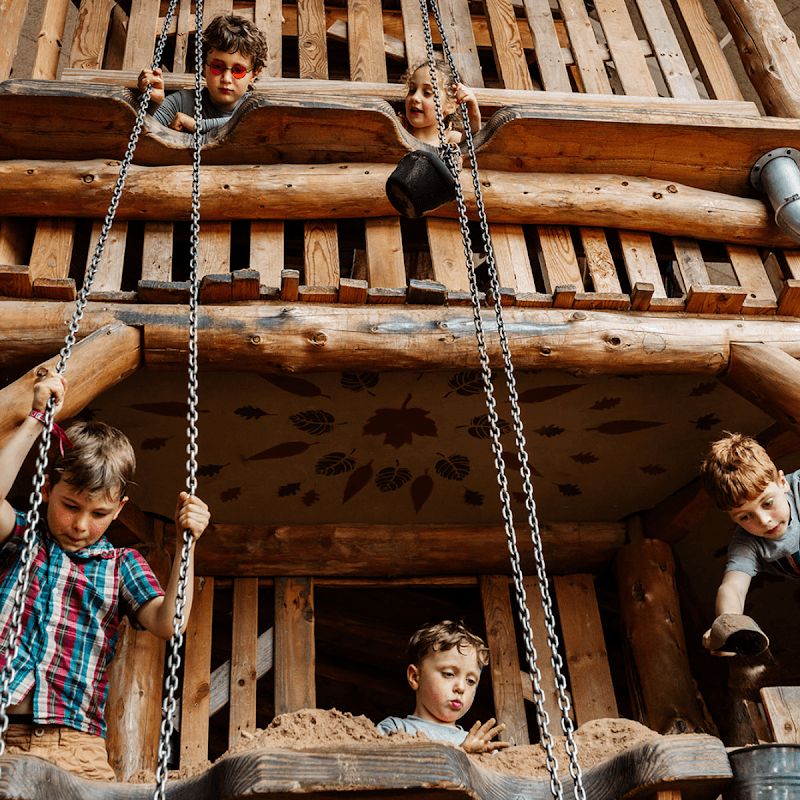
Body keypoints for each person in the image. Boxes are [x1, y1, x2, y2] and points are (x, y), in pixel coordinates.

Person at [0, 370, 210, 780]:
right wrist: (36, 420)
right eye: (70, 506)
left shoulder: (121, 564)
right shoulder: (20, 535)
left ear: (119, 509)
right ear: (47, 490)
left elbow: (168, 622)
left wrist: (188, 544)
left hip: (75, 746)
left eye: (98, 513)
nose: (80, 524)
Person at [699, 431, 799, 656]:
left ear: (783, 482)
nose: (764, 521)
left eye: (768, 503)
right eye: (745, 516)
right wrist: (729, 626)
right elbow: (733, 587)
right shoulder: (747, 544)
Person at [377, 620, 508, 753]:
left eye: (470, 681)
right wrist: (462, 753)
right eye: (449, 674)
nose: (461, 688)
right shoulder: (394, 729)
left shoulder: (480, 745)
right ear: (415, 677)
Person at [138, 13, 268, 133]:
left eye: (238, 70)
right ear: (203, 67)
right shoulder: (181, 103)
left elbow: (254, 121)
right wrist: (152, 103)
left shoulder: (258, 108)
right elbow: (136, 131)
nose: (226, 79)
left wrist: (198, 125)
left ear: (253, 75)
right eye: (217, 67)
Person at [400, 57, 481, 146]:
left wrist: (473, 113)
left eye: (427, 93)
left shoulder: (450, 139)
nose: (415, 97)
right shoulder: (399, 127)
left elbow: (472, 145)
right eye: (412, 90)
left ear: (450, 106)